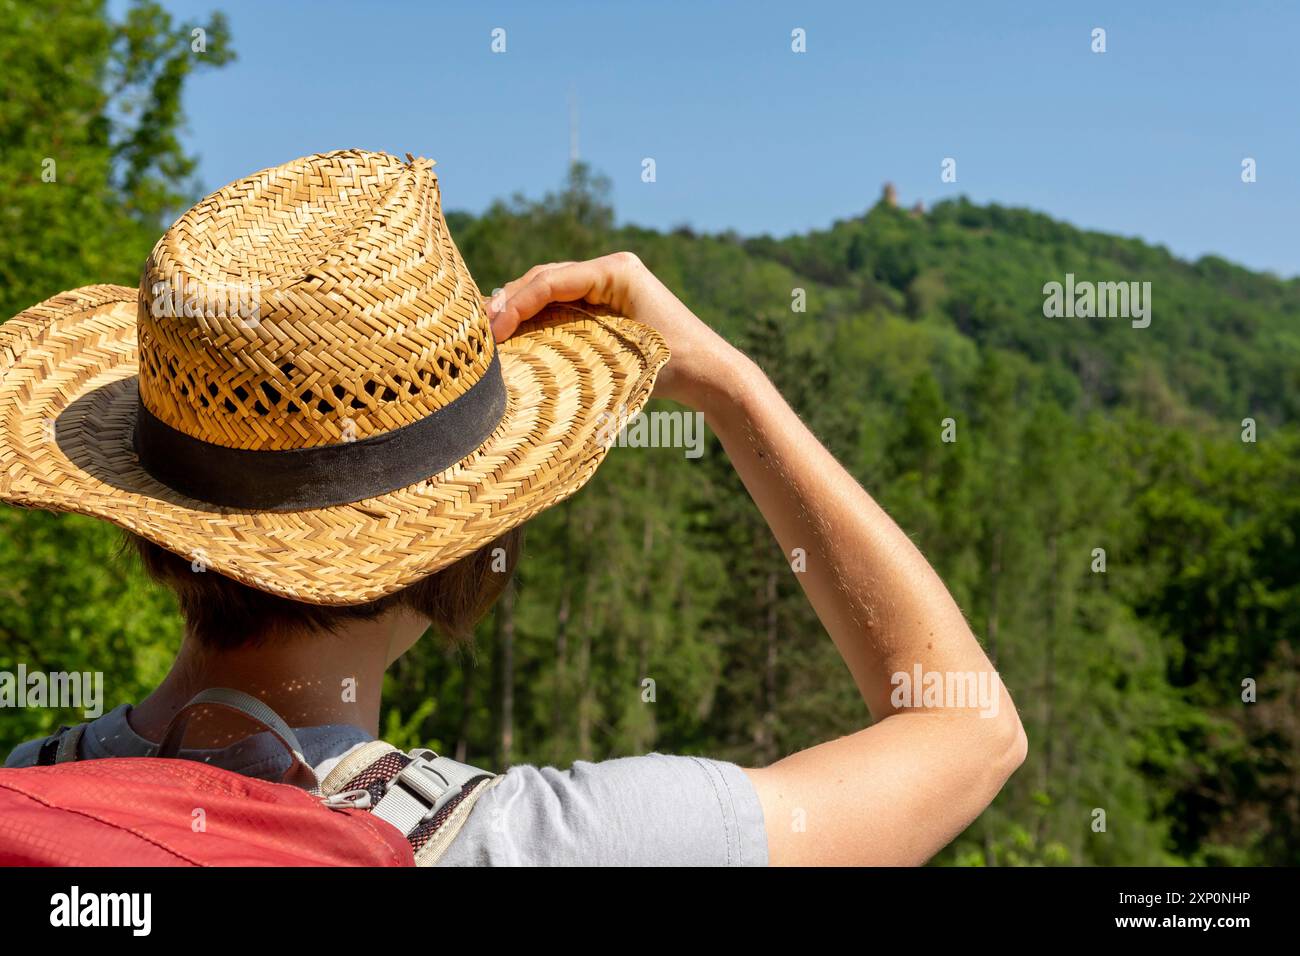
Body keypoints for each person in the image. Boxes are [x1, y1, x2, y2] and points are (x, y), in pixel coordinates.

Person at [1, 151, 1025, 866]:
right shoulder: (554, 842)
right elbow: (968, 730)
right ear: (473, 529)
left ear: (146, 512)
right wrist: (731, 386)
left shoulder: (24, 793)